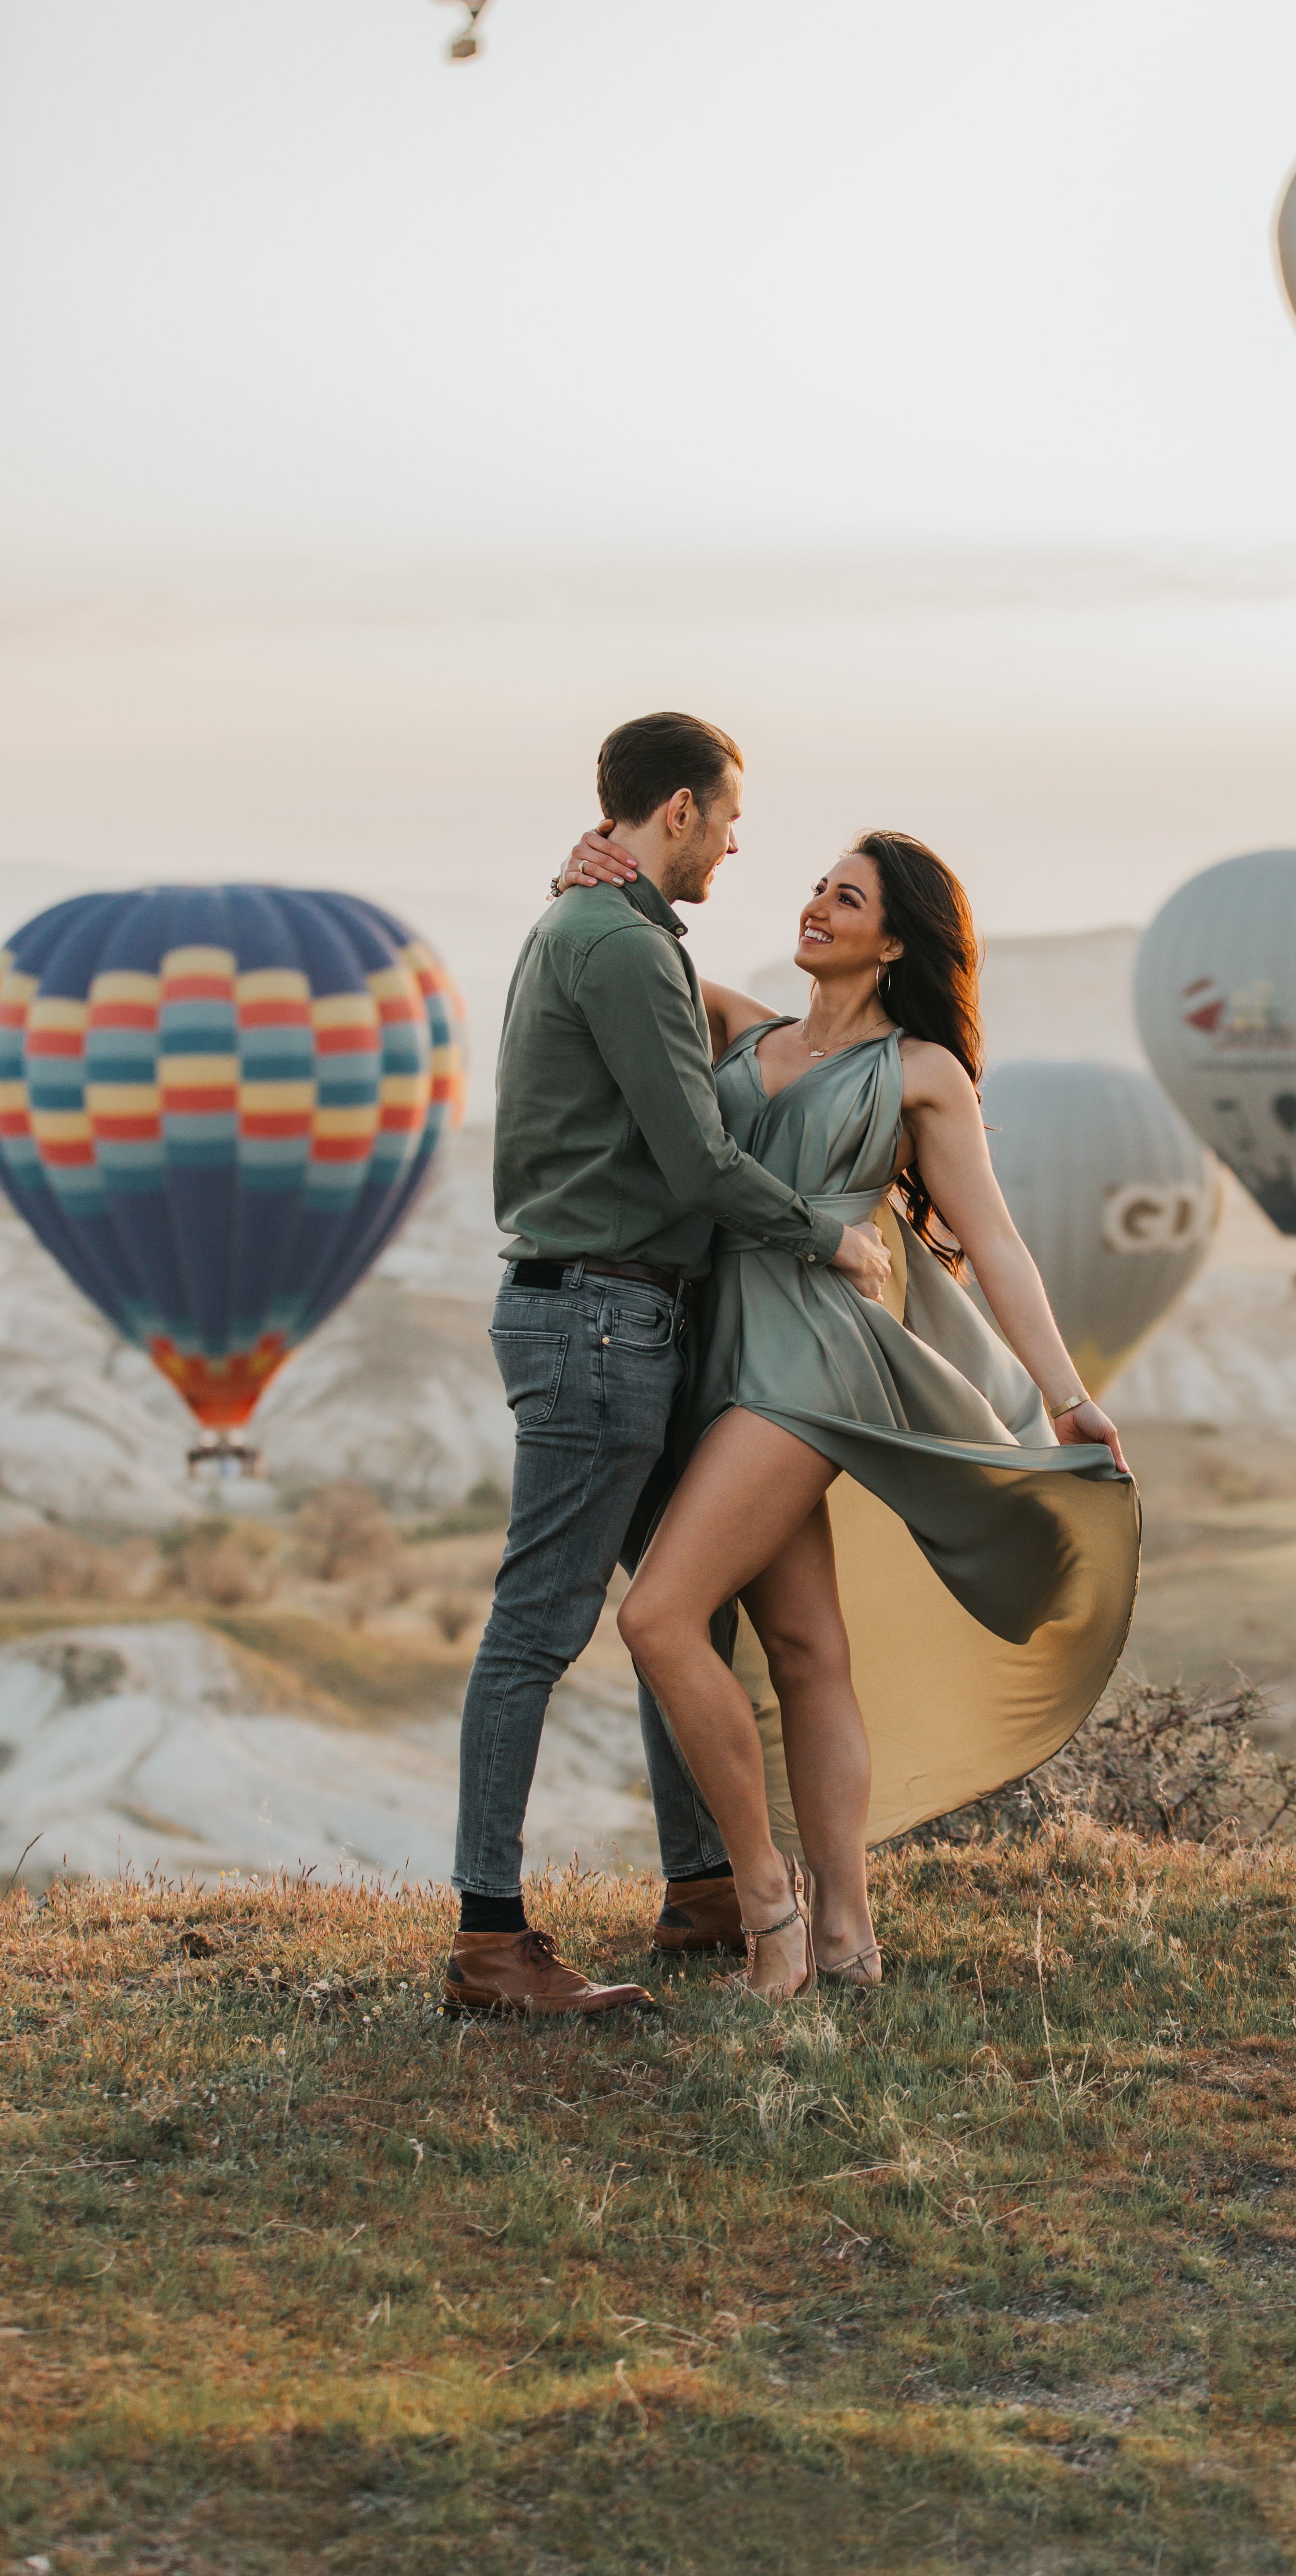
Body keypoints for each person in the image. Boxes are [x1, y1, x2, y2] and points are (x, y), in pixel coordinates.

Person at [560, 821, 1140, 2000]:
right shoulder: (744, 1030)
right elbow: (631, 957)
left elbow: (998, 1243)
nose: (818, 908)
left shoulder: (922, 1072)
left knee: (659, 1620)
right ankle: (848, 1937)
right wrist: (589, 871)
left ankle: (766, 1902)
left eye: (849, 899)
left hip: (809, 1362)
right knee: (809, 1650)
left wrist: (1069, 1396)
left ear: (895, 942)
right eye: (821, 888)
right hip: (717, 1354)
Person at [444, 714, 892, 2021]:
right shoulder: (621, 944)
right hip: (601, 1321)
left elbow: (751, 1048)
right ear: (679, 812)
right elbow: (698, 1163)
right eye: (731, 817)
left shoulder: (597, 929)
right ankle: (490, 1938)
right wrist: (833, 1236)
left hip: (610, 1318)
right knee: (537, 1632)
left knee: (689, 1610)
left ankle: (705, 1887)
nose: (744, 844)